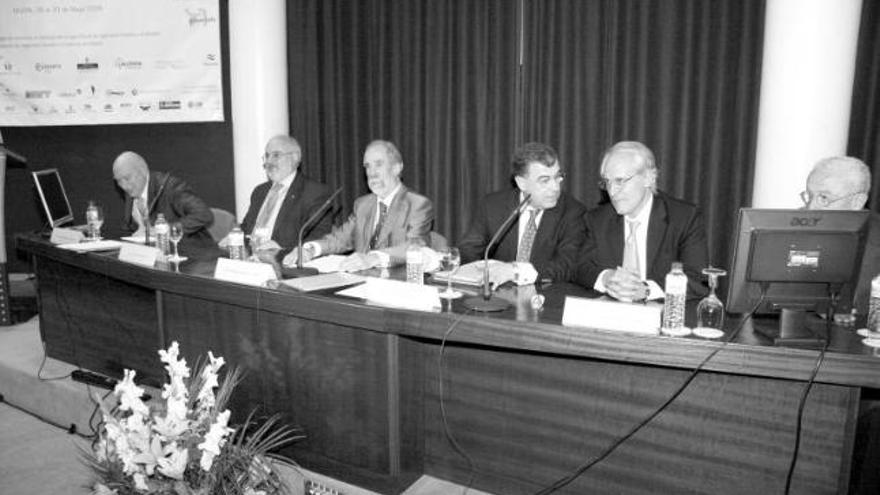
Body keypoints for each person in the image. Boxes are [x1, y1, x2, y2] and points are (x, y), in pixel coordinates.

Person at [575, 141, 708, 301]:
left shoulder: (684, 218)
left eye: (620, 181)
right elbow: (579, 267)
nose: (612, 191)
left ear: (648, 178)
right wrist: (606, 278)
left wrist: (646, 290)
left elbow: (698, 280)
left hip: (662, 316)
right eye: (607, 182)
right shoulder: (597, 219)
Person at [282, 140, 434, 272]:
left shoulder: (417, 204)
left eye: (378, 164)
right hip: (359, 281)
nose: (371, 172)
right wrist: (310, 250)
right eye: (367, 166)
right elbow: (340, 239)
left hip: (396, 285)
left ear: (396, 168)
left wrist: (373, 258)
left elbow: (415, 246)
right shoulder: (363, 205)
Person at [458, 142, 587, 285]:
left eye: (558, 176)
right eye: (544, 180)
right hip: (496, 293)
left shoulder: (573, 212)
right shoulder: (493, 205)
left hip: (543, 297)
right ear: (521, 183)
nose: (555, 187)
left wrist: (515, 272)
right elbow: (469, 249)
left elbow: (567, 266)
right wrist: (482, 273)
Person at [802, 156, 880, 316]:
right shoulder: (788, 225)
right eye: (810, 195)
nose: (812, 207)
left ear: (857, 202)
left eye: (824, 197)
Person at [234, 135, 334, 257]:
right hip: (251, 259)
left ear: (295, 157)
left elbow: (319, 236)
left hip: (283, 261)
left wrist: (283, 248)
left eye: (276, 155)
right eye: (267, 156)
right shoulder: (259, 191)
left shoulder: (315, 192)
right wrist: (234, 239)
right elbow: (246, 227)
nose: (269, 162)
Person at [112, 151, 215, 253]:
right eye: (118, 181)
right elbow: (131, 227)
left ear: (142, 171)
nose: (124, 186)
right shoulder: (133, 190)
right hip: (154, 254)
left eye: (127, 178)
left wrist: (166, 230)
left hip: (193, 254)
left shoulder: (171, 187)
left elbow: (204, 214)